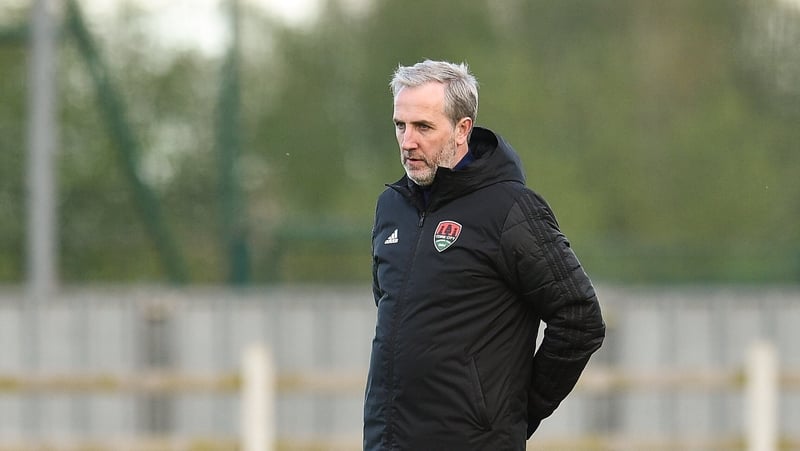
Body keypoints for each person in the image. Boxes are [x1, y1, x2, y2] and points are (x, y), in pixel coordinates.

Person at [363, 59, 606, 450]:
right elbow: (397, 312)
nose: (408, 141)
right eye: (400, 125)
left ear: (463, 129)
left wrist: (518, 409)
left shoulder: (511, 210)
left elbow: (580, 318)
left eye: (423, 126)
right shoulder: (390, 208)